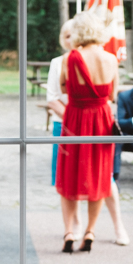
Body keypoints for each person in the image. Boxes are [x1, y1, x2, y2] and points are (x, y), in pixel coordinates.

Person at [56, 12, 119, 254]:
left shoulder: (70, 58)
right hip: (102, 119)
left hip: (76, 118)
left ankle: (69, 232)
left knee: (69, 174)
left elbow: (64, 86)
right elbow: (112, 94)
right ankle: (90, 231)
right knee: (99, 174)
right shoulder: (111, 59)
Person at [46, 19, 75, 188]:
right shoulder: (57, 63)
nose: (71, 40)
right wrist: (72, 119)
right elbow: (52, 98)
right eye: (67, 36)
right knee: (63, 178)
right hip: (62, 122)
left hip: (85, 124)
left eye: (75, 35)